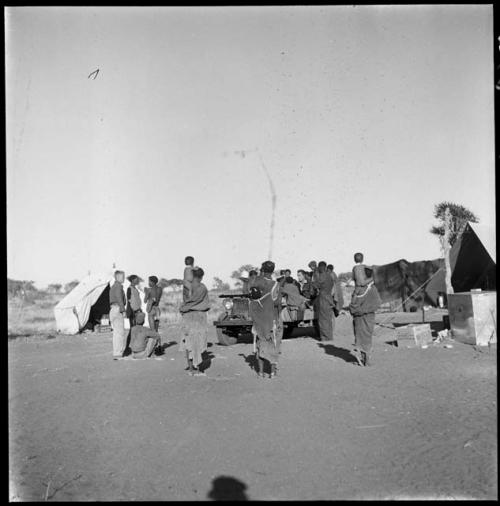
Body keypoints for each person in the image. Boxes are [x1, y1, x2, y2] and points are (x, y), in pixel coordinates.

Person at [248, 260, 283, 379]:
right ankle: (272, 373)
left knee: (260, 344)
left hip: (258, 318)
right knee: (272, 344)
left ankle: (261, 372)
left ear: (262, 270)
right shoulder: (275, 284)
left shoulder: (256, 281)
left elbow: (251, 296)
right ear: (273, 270)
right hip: (270, 318)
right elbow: (277, 301)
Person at [179, 267, 210, 375]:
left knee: (189, 342)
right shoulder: (202, 287)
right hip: (199, 317)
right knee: (198, 342)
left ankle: (191, 368)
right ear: (201, 276)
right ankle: (197, 368)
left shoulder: (187, 287)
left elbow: (186, 301)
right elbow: (199, 302)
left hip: (187, 316)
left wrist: (184, 308)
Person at [349, 268, 381, 366]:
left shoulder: (359, 290)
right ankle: (366, 359)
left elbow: (352, 306)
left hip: (359, 318)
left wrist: (358, 311)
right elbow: (377, 304)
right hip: (368, 318)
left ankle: (363, 358)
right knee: (367, 338)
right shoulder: (373, 289)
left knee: (360, 337)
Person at [312, 261, 335, 341]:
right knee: (328, 319)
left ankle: (325, 338)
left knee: (323, 319)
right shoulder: (329, 276)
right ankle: (329, 337)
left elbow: (316, 285)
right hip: (329, 297)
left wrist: (313, 280)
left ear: (321, 267)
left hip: (323, 298)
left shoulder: (322, 276)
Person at [109, 270, 127, 360]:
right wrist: (123, 310)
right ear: (118, 277)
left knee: (116, 333)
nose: (124, 278)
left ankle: (116, 352)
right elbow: (120, 298)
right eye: (122, 276)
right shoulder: (118, 286)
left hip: (113, 309)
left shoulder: (113, 286)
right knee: (120, 333)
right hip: (117, 309)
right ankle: (118, 353)